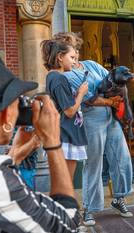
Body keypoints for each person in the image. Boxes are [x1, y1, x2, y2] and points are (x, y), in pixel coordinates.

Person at [0, 53, 80, 232]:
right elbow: (66, 223)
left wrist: (15, 155)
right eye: (18, 102)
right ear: (7, 113)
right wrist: (53, 143)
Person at [54, 32, 134, 226]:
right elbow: (90, 98)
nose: (77, 53)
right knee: (94, 164)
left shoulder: (91, 64)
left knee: (121, 157)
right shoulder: (67, 75)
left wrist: (116, 94)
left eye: (77, 48)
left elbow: (110, 79)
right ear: (62, 52)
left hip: (111, 118)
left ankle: (119, 198)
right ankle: (89, 208)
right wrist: (110, 100)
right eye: (72, 49)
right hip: (91, 120)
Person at [41, 39, 89, 181]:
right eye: (72, 57)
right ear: (60, 57)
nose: (74, 62)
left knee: (61, 182)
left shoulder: (52, 77)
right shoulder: (59, 79)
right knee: (65, 183)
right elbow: (69, 111)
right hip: (66, 135)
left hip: (61, 134)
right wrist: (81, 93)